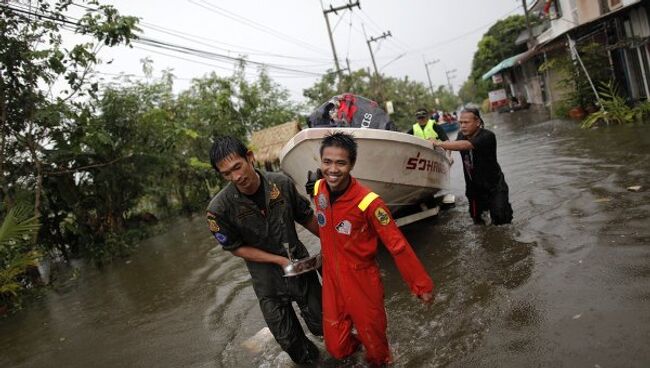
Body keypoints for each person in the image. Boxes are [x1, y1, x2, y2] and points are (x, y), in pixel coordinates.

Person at [308, 132, 434, 366]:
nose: (333, 169)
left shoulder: (370, 202)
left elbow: (397, 245)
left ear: (352, 164)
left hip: (362, 279)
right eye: (327, 162)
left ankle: (381, 350)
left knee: (377, 352)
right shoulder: (318, 189)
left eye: (340, 163)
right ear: (320, 161)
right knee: (337, 347)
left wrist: (420, 285)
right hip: (332, 278)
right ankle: (361, 343)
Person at [206, 136, 323, 364]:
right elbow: (235, 248)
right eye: (227, 174)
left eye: (237, 167)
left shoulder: (282, 184)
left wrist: (334, 244)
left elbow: (308, 218)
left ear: (249, 157)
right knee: (291, 344)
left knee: (327, 326)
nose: (236, 176)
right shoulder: (219, 210)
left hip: (301, 268)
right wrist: (278, 261)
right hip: (267, 281)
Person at [432, 108, 513, 225]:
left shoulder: (487, 136)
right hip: (474, 188)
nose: (463, 126)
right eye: (461, 123)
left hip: (494, 186)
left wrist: (438, 143)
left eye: (466, 122)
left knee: (501, 220)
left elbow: (465, 145)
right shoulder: (461, 135)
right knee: (477, 221)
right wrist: (448, 156)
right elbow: (454, 145)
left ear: (478, 122)